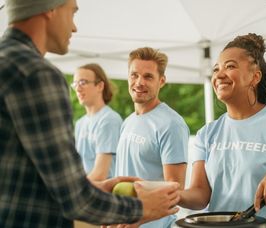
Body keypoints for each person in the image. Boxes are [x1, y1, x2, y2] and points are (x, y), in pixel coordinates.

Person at [0, 0, 180, 227]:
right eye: (72, 13)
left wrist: (92, 189)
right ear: (50, 9)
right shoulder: (36, 73)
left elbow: (26, 178)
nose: (74, 27)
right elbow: (75, 198)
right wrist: (141, 208)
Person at [178, 33, 266, 228]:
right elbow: (200, 195)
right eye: (215, 69)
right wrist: (171, 194)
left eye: (230, 66)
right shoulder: (207, 133)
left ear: (255, 77)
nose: (219, 75)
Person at [115, 47, 190, 228]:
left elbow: (174, 190)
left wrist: (139, 219)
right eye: (134, 75)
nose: (139, 82)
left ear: (161, 81)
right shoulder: (128, 121)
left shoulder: (172, 124)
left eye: (148, 77)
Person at [73, 63, 122, 181]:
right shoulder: (80, 123)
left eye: (83, 82)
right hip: (87, 189)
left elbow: (100, 174)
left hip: (104, 193)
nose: (78, 88)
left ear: (100, 86)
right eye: (75, 84)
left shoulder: (109, 120)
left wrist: (76, 191)